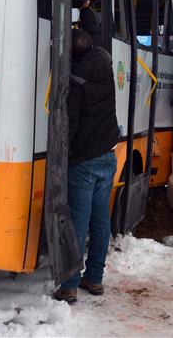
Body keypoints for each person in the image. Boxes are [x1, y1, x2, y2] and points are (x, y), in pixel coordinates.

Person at [53, 29, 120, 304]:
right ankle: (94, 278)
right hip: (108, 156)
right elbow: (96, 34)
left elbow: (72, 123)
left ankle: (69, 285)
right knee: (100, 221)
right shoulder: (104, 61)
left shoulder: (77, 82)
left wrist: (64, 155)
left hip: (84, 162)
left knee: (77, 222)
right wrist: (87, 8)